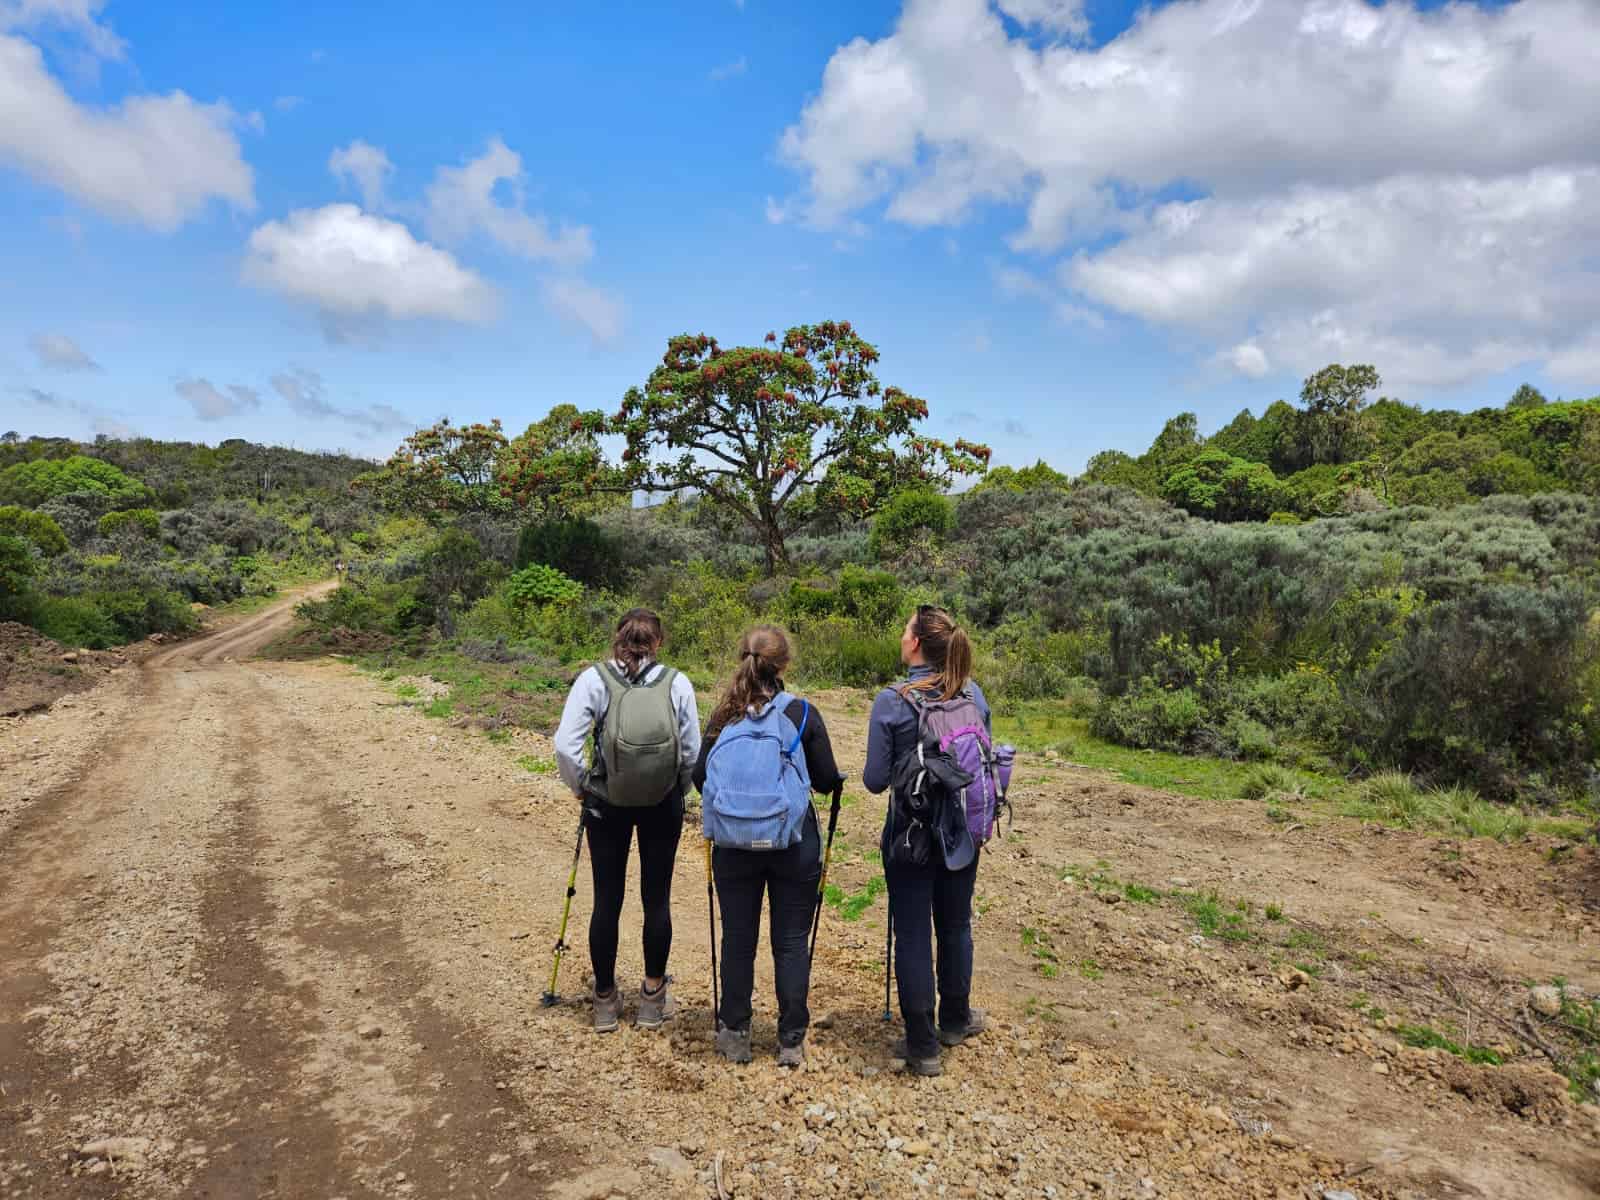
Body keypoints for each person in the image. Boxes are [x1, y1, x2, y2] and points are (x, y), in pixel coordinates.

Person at [693, 625, 845, 1068]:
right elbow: (825, 777)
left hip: (734, 847)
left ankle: (736, 1031)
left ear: (741, 659)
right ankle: (790, 1039)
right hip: (792, 844)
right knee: (792, 940)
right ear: (784, 666)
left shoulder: (724, 716)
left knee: (739, 938)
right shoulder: (801, 713)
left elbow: (700, 777)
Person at [555, 608, 700, 1033]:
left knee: (607, 900)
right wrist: (679, 789)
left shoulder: (593, 679)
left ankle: (604, 1001)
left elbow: (566, 745)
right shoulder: (678, 683)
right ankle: (652, 999)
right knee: (656, 899)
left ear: (617, 638)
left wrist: (581, 786)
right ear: (659, 642)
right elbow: (690, 751)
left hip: (607, 803)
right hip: (662, 803)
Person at [862, 604, 991, 1077]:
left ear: (916, 643)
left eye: (904, 630)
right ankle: (956, 1018)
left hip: (910, 837)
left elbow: (875, 780)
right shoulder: (972, 692)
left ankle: (923, 1044)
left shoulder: (893, 701)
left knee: (913, 931)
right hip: (963, 832)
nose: (900, 636)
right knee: (956, 923)